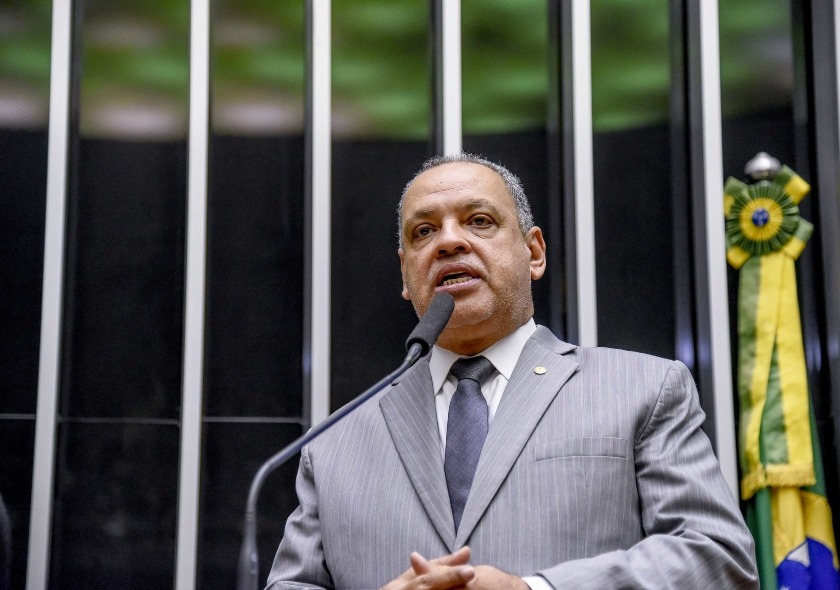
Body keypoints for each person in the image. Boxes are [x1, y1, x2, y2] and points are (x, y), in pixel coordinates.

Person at [266, 153, 758, 589]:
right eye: (424, 231)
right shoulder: (334, 443)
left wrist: (534, 589)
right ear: (405, 274)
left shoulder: (643, 390)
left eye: (479, 221)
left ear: (534, 252)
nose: (448, 241)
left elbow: (719, 559)